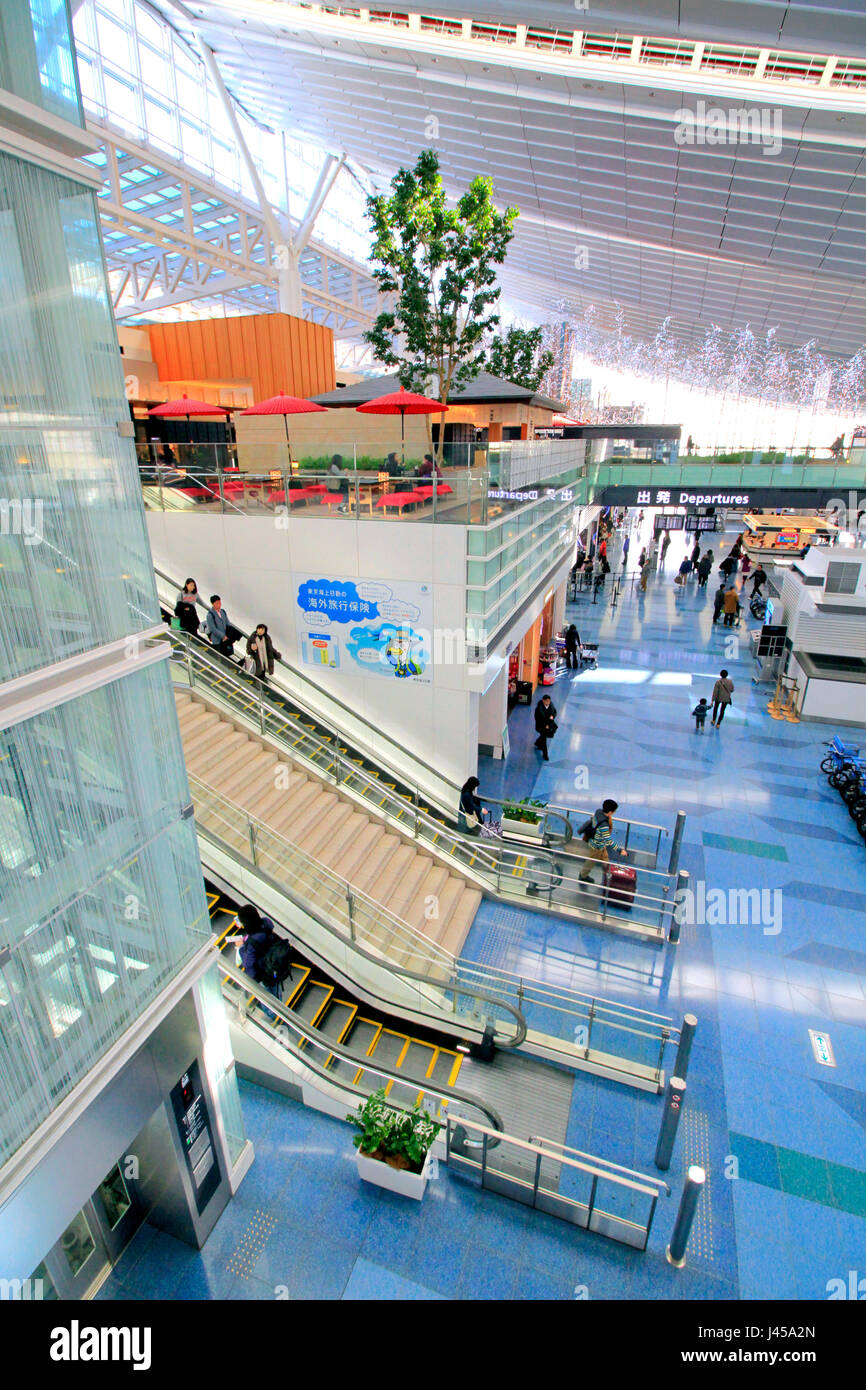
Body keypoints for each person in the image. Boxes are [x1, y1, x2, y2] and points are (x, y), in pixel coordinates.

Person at [237, 904, 293, 1018]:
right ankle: (279, 1006)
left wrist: (242, 948)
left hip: (263, 973)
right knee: (275, 989)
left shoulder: (252, 944)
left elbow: (248, 963)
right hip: (274, 965)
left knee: (266, 995)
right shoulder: (266, 924)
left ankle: (273, 1015)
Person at [578, 799, 628, 882]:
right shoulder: (604, 825)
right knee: (591, 862)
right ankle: (583, 876)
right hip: (597, 846)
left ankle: (607, 876)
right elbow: (608, 840)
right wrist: (619, 850)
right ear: (610, 812)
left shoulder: (598, 812)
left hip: (599, 843)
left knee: (605, 859)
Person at [534, 693, 557, 761]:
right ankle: (545, 755)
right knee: (544, 740)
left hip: (549, 724)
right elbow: (537, 719)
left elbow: (555, 712)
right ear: (543, 700)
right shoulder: (539, 709)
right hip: (541, 726)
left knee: (543, 737)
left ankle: (537, 743)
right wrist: (545, 725)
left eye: (549, 701)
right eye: (546, 701)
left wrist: (553, 716)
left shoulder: (551, 705)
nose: (548, 702)